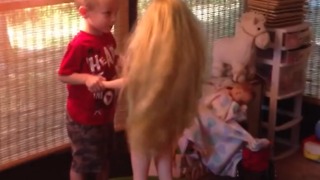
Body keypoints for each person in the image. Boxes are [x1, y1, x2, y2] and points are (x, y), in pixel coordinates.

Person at [122, 0, 206, 179]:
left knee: (141, 161)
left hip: (145, 119)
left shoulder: (144, 52)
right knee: (165, 159)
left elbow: (131, 80)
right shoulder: (185, 57)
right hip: (168, 119)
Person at [57, 0, 121, 179]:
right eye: (108, 13)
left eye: (116, 13)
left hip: (105, 114)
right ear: (84, 12)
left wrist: (121, 62)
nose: (114, 18)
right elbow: (63, 74)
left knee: (102, 159)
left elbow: (110, 61)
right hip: (84, 119)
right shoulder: (79, 44)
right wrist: (86, 78)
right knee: (83, 163)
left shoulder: (107, 36)